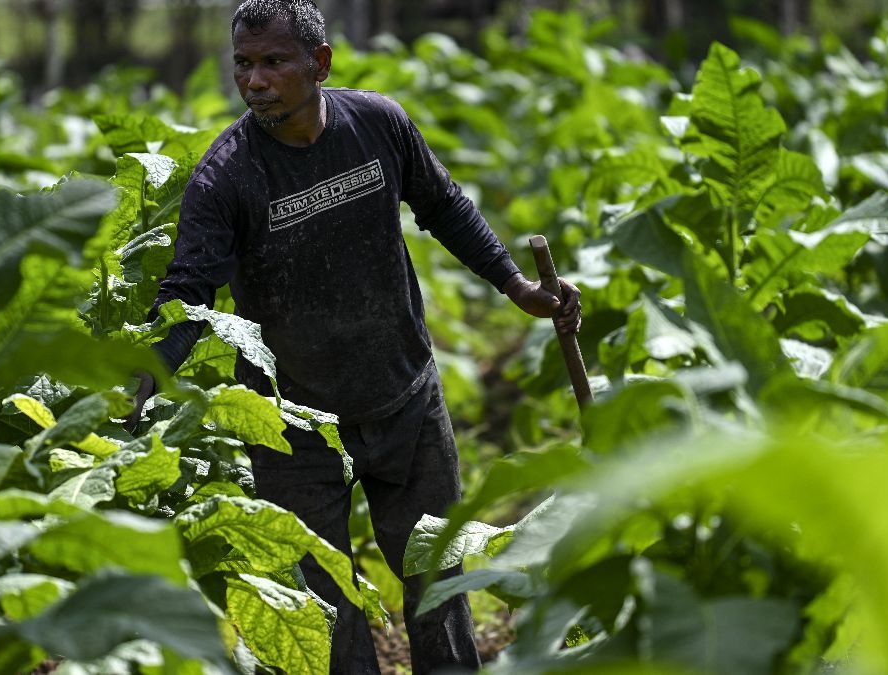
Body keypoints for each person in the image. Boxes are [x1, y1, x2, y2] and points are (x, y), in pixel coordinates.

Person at [126, 0, 581, 672]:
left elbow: (443, 204)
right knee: (327, 612)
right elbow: (188, 292)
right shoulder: (226, 178)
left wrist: (516, 286)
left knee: (438, 585)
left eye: (273, 62)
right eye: (243, 65)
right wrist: (139, 385)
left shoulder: (378, 125)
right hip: (295, 428)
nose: (254, 81)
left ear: (320, 63)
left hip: (404, 399)